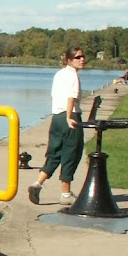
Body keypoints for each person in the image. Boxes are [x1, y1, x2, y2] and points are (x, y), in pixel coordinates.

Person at [28, 46, 86, 205]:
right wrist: (69, 117)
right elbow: (71, 97)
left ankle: (37, 184)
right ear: (69, 60)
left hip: (57, 118)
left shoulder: (59, 74)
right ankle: (66, 194)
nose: (82, 60)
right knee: (71, 154)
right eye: (78, 57)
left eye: (82, 57)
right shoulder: (73, 75)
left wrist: (62, 117)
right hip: (70, 117)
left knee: (55, 153)